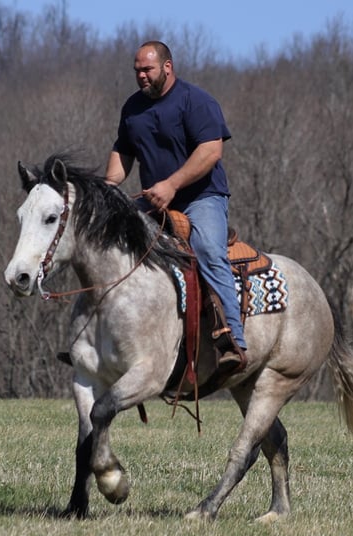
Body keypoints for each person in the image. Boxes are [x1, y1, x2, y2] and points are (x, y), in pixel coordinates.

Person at [105, 40, 247, 373]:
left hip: (201, 198)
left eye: (147, 69)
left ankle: (233, 340)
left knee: (209, 250)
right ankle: (103, 338)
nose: (141, 76)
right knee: (108, 244)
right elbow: (122, 152)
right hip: (154, 201)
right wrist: (108, 188)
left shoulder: (196, 101)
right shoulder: (132, 108)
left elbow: (211, 152)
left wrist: (172, 184)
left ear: (167, 67)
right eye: (137, 70)